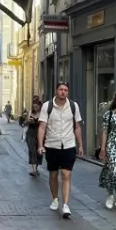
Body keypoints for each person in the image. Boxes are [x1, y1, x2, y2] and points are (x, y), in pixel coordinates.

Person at [38, 82, 84, 218]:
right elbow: (42, 127)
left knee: (66, 174)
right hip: (52, 145)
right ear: (56, 91)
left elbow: (77, 127)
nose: (63, 92)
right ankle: (55, 199)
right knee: (53, 175)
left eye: (66, 90)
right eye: (61, 89)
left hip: (69, 145)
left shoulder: (74, 106)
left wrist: (80, 145)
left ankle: (65, 204)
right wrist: (40, 145)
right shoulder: (47, 106)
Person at [22, 96, 44, 177]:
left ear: (40, 106)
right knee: (32, 151)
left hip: (40, 134)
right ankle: (34, 170)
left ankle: (36, 168)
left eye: (36, 107)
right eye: (34, 106)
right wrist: (28, 121)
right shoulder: (30, 112)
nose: (35, 108)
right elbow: (24, 123)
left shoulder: (43, 114)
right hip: (30, 134)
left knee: (39, 152)